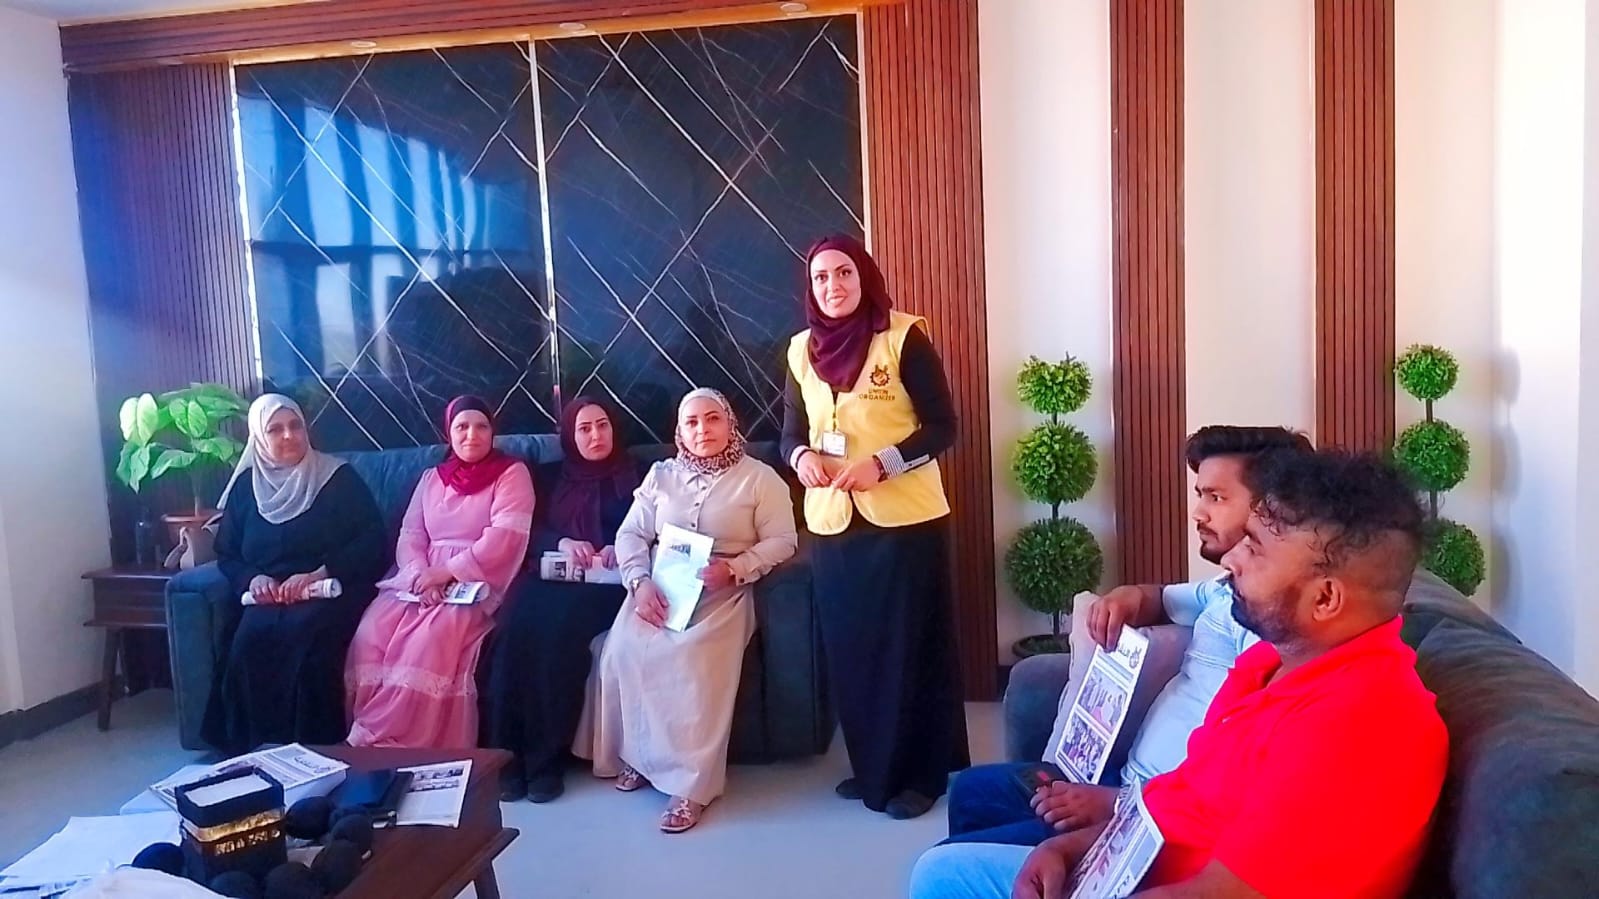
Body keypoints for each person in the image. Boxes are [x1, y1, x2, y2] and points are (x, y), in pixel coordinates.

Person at [910, 449, 1449, 899]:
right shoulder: (1270, 663)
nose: (1232, 560)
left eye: (1256, 549)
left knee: (942, 876)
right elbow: (1178, 801)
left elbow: (1225, 894)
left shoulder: (1360, 723)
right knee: (945, 867)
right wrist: (1066, 848)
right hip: (1141, 866)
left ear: (1325, 598)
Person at [944, 427, 1312, 846]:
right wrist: (1129, 597)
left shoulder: (1274, 620)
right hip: (1122, 782)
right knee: (971, 790)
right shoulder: (1225, 587)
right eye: (1200, 494)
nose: (1198, 513)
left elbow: (1250, 766)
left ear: (1272, 509)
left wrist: (1121, 803)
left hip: (1157, 817)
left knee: (950, 862)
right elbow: (1163, 598)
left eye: (1216, 497)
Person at [781, 233, 969, 820]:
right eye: (820, 277)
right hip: (834, 524)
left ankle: (921, 776)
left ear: (863, 276)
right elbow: (790, 433)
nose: (832, 286)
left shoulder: (903, 338)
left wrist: (883, 463)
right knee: (854, 651)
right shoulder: (799, 350)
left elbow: (942, 427)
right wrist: (799, 458)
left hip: (904, 523)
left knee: (908, 648)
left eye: (843, 273)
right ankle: (874, 768)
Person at [581, 388, 798, 833]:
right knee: (621, 651)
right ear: (679, 431)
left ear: (730, 423)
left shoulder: (759, 478)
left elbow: (784, 540)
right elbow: (631, 534)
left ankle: (690, 787)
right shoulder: (661, 475)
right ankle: (638, 757)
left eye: (712, 418)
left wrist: (736, 568)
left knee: (692, 662)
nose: (702, 430)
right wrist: (639, 582)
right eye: (692, 422)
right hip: (660, 588)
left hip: (723, 593)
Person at [201, 394, 388, 755]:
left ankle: (313, 749)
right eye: (275, 429)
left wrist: (321, 571)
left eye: (295, 426)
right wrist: (252, 579)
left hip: (328, 588)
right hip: (268, 595)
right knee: (249, 640)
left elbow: (373, 540)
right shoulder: (246, 488)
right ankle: (254, 749)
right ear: (259, 438)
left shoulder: (337, 478)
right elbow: (227, 552)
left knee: (308, 638)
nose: (288, 436)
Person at [345, 396, 535, 748]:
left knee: (426, 641)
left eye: (481, 426)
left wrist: (446, 573)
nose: (472, 435)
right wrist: (421, 575)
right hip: (420, 580)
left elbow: (505, 537)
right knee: (371, 634)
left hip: (477, 579)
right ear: (448, 433)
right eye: (462, 427)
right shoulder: (431, 478)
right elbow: (411, 535)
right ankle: (369, 736)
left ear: (493, 431)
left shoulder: (512, 473)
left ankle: (394, 741)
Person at [488, 396, 641, 803]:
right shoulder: (548, 475)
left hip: (607, 584)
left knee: (557, 639)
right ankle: (507, 757)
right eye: (584, 429)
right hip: (552, 575)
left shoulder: (638, 473)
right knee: (513, 630)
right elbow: (529, 528)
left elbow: (654, 525)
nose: (595, 436)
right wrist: (563, 542)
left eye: (602, 425)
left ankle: (545, 761)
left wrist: (622, 545)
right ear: (570, 436)